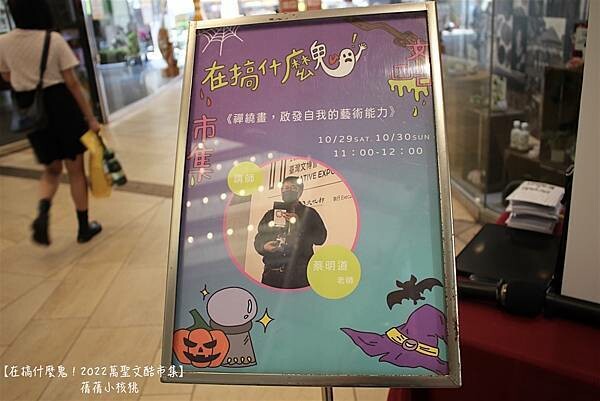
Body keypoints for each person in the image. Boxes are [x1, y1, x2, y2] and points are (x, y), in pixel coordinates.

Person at [0, 0, 102, 245]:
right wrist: (90, 118)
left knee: (51, 169)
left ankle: (43, 211)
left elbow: (7, 76)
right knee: (75, 171)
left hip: (32, 111)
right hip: (62, 107)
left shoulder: (3, 42)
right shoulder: (53, 40)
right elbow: (72, 83)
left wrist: (27, 79)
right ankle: (83, 228)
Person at [254, 176, 327, 289]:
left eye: (293, 187)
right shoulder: (270, 214)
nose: (288, 190)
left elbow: (320, 238)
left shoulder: (309, 213)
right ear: (281, 191)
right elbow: (259, 239)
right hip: (272, 275)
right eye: (285, 188)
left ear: (300, 191)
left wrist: (299, 225)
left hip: (300, 275)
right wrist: (264, 247)